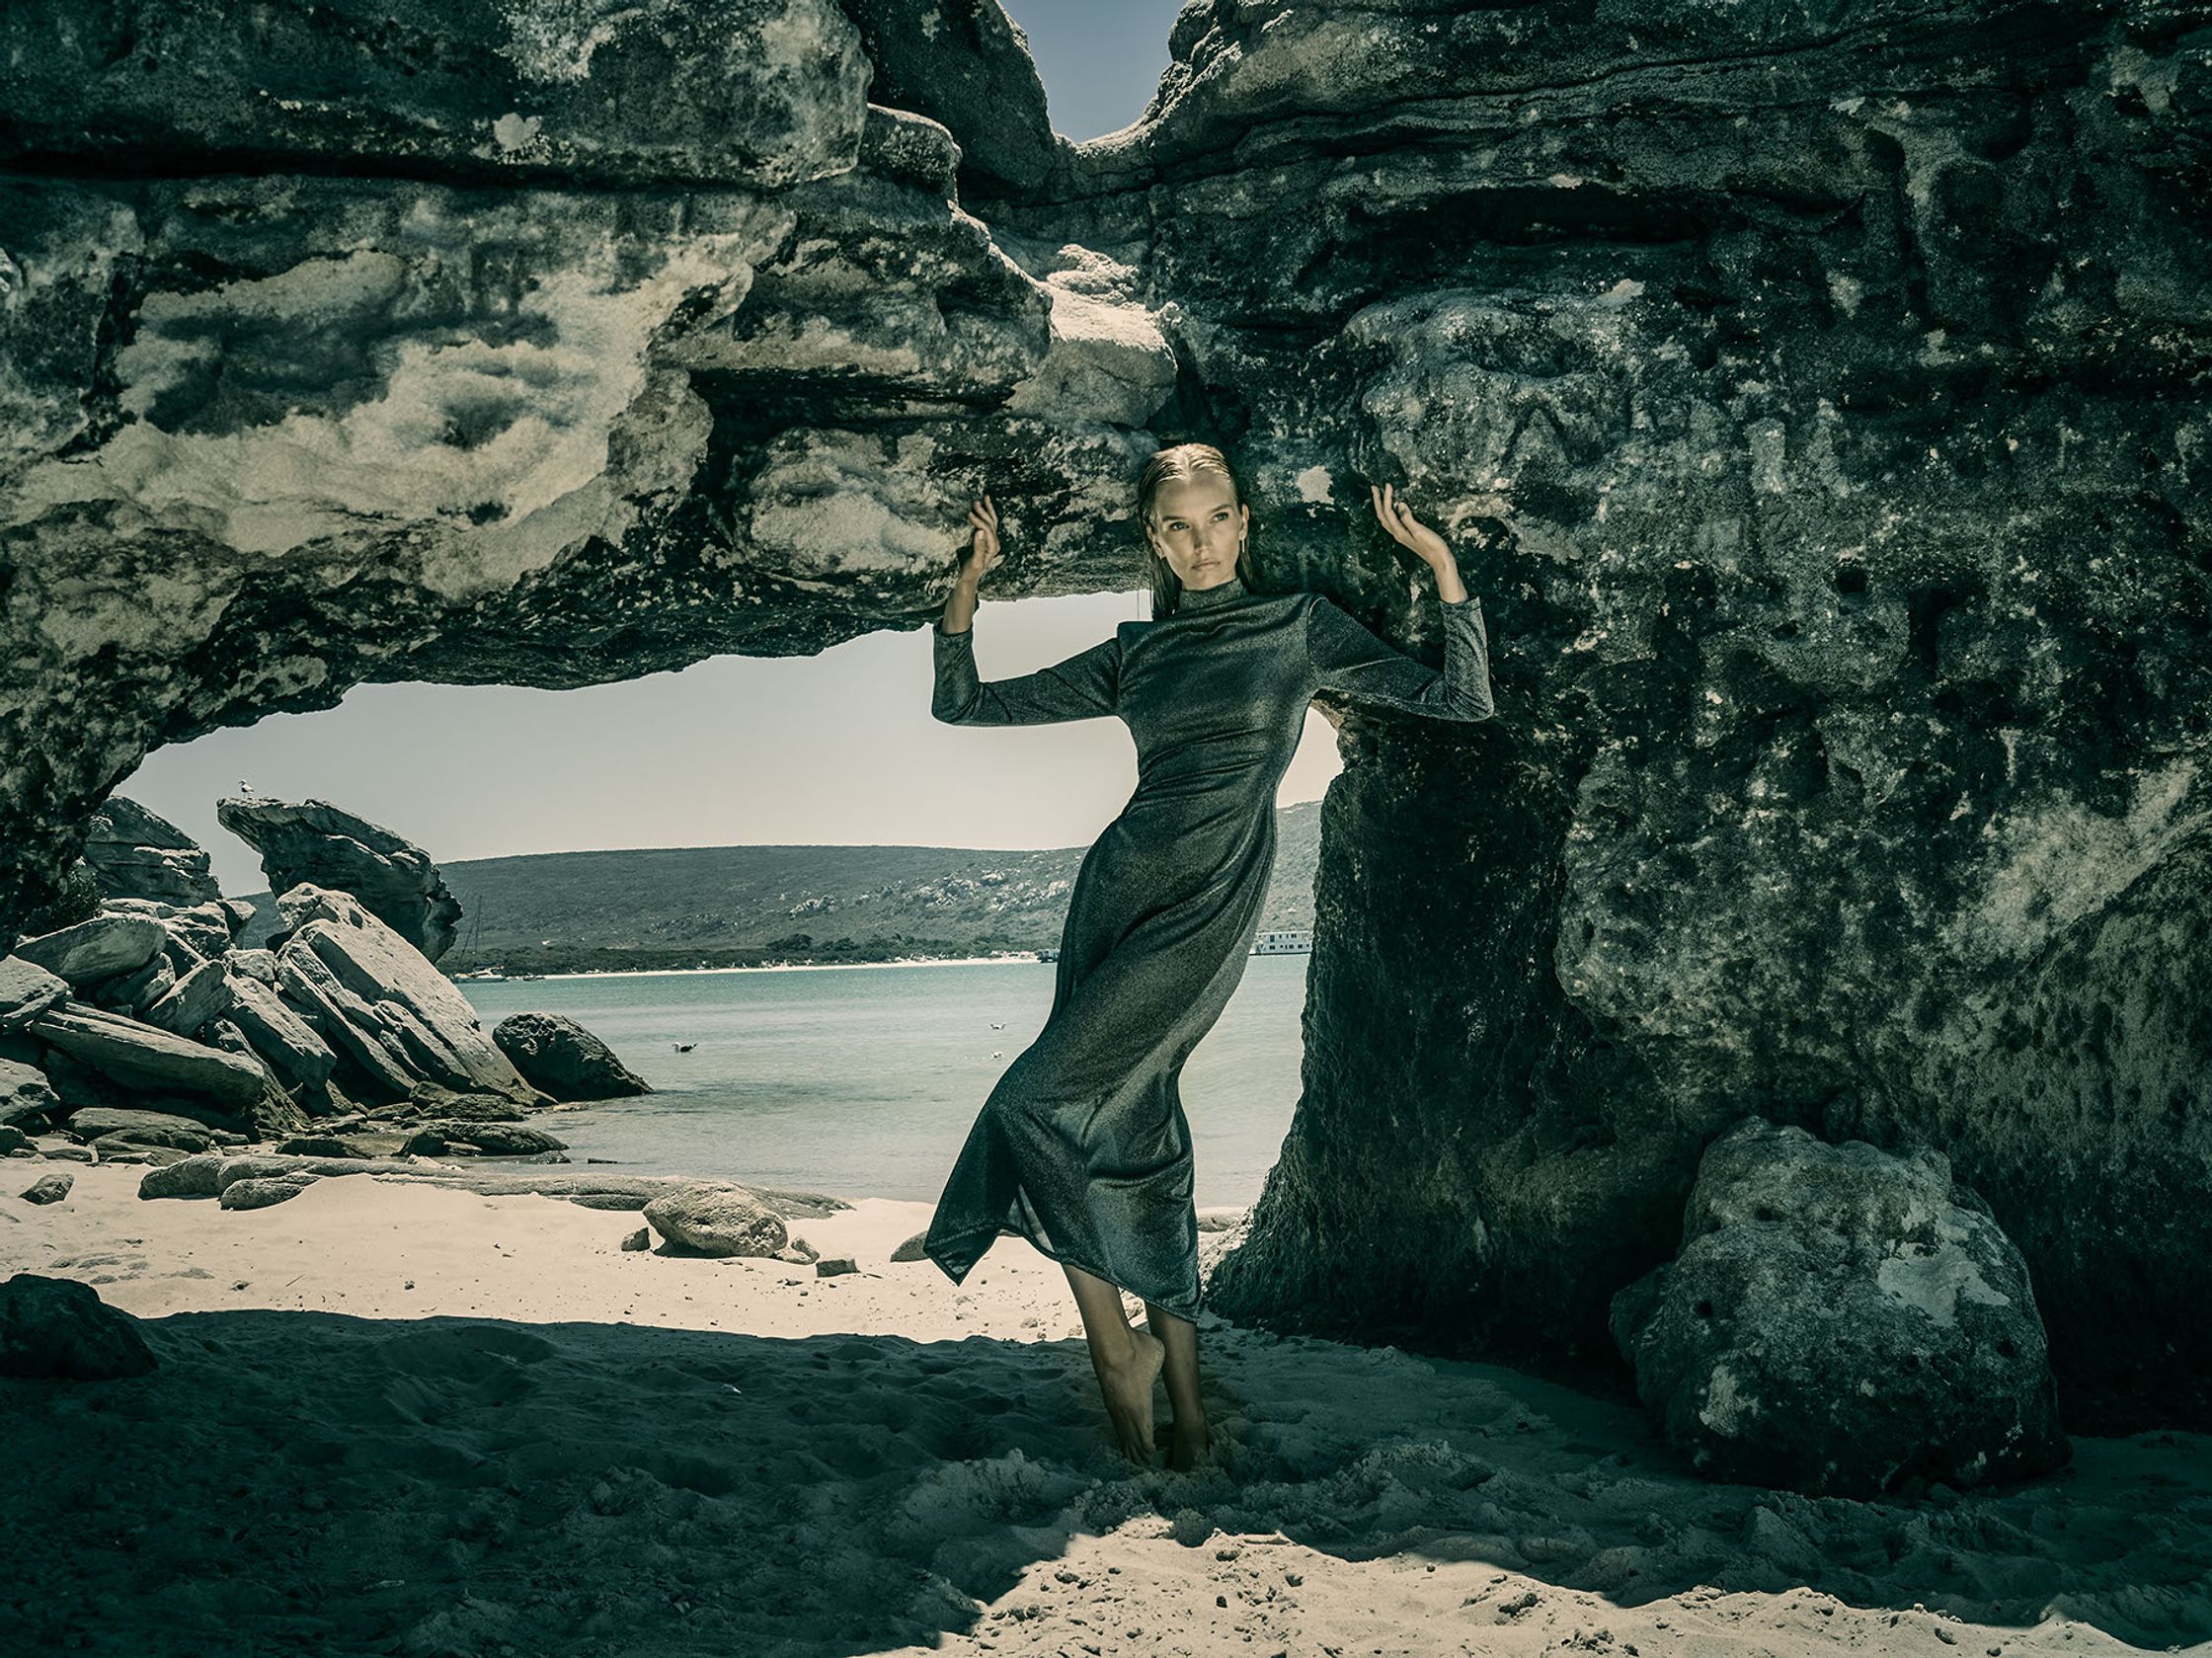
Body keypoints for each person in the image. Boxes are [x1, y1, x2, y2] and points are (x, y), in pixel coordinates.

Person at [922, 442, 1496, 1470]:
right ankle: (1184, 1409)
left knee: (1032, 1104)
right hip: (1117, 892)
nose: (1201, 543)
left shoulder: (1300, 627)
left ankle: (1118, 1349)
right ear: (1155, 537)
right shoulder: (1135, 652)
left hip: (1212, 903)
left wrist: (1442, 567)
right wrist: (967, 591)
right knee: (1135, 1128)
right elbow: (964, 703)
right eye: (1178, 526)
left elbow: (1464, 700)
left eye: (1217, 518)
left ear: (1243, 521)